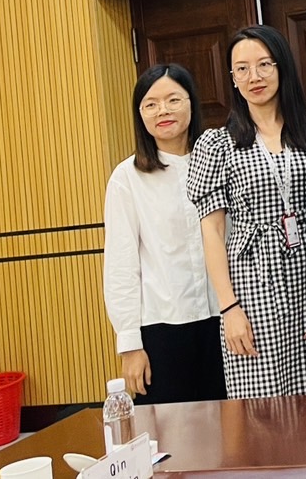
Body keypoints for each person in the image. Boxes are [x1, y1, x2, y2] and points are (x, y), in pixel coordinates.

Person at [188, 25, 306, 398]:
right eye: (242, 69)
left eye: (264, 64)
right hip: (251, 285)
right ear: (233, 78)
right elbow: (212, 232)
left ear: (282, 67)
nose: (254, 76)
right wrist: (229, 309)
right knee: (262, 406)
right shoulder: (217, 144)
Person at [103, 64, 226, 403]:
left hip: (224, 319)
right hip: (162, 329)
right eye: (151, 104)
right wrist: (130, 345)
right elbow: (121, 267)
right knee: (170, 429)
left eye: (173, 100)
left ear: (192, 103)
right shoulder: (127, 178)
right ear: (139, 114)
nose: (163, 111)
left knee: (230, 425)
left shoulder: (220, 162)